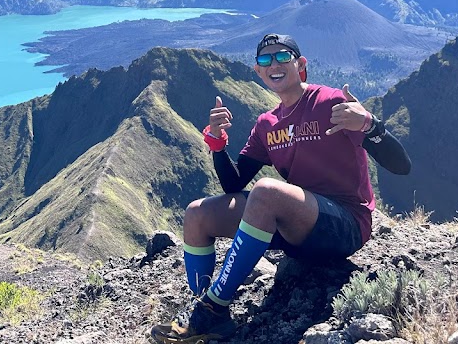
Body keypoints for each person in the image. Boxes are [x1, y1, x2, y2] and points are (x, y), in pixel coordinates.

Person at [150, 33, 411, 343]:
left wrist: (369, 124)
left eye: (282, 56)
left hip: (346, 225)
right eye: (264, 59)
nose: (273, 64)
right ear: (258, 72)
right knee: (197, 213)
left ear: (300, 64)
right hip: (296, 225)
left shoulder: (329, 102)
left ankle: (210, 307)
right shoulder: (267, 124)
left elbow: (401, 166)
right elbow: (233, 184)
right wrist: (218, 143)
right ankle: (207, 313)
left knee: (268, 191)